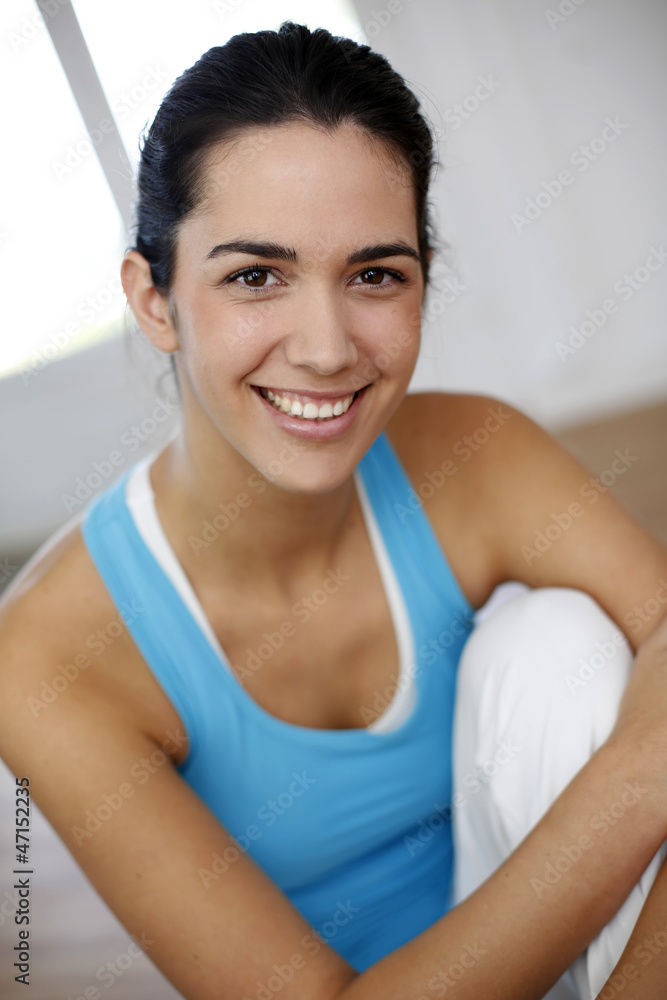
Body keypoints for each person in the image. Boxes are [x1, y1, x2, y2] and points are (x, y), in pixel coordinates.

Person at [1, 21, 667, 1000]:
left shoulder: (476, 455)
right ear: (154, 299)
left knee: (558, 640)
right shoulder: (44, 657)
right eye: (255, 276)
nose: (324, 347)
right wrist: (643, 775)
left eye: (373, 275)